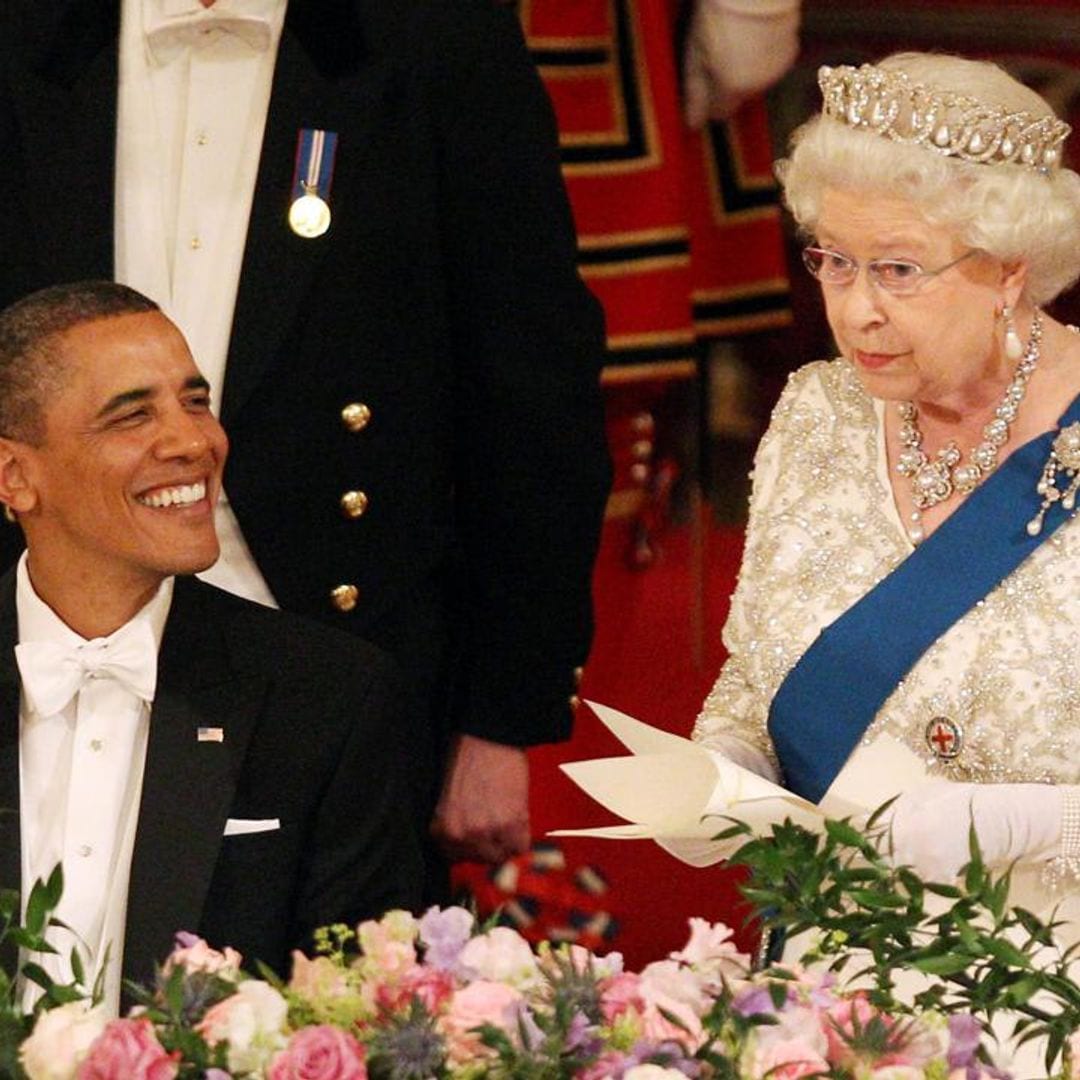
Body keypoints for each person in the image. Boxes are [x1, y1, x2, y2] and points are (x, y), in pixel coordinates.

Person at [0, 1, 610, 877]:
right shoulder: (24, 33)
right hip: (37, 661)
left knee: (341, 1009)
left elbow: (529, 392)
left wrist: (501, 717)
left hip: (349, 680)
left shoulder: (437, 37)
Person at [693, 53, 1080, 926]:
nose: (854, 309)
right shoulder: (817, 412)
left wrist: (1028, 823)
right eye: (832, 260)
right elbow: (756, 677)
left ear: (1010, 267)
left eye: (898, 270)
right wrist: (729, 761)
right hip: (832, 975)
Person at [0, 281, 424, 1016]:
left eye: (195, 402)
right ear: (15, 477)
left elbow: (362, 1014)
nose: (194, 442)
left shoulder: (327, 697)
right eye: (132, 415)